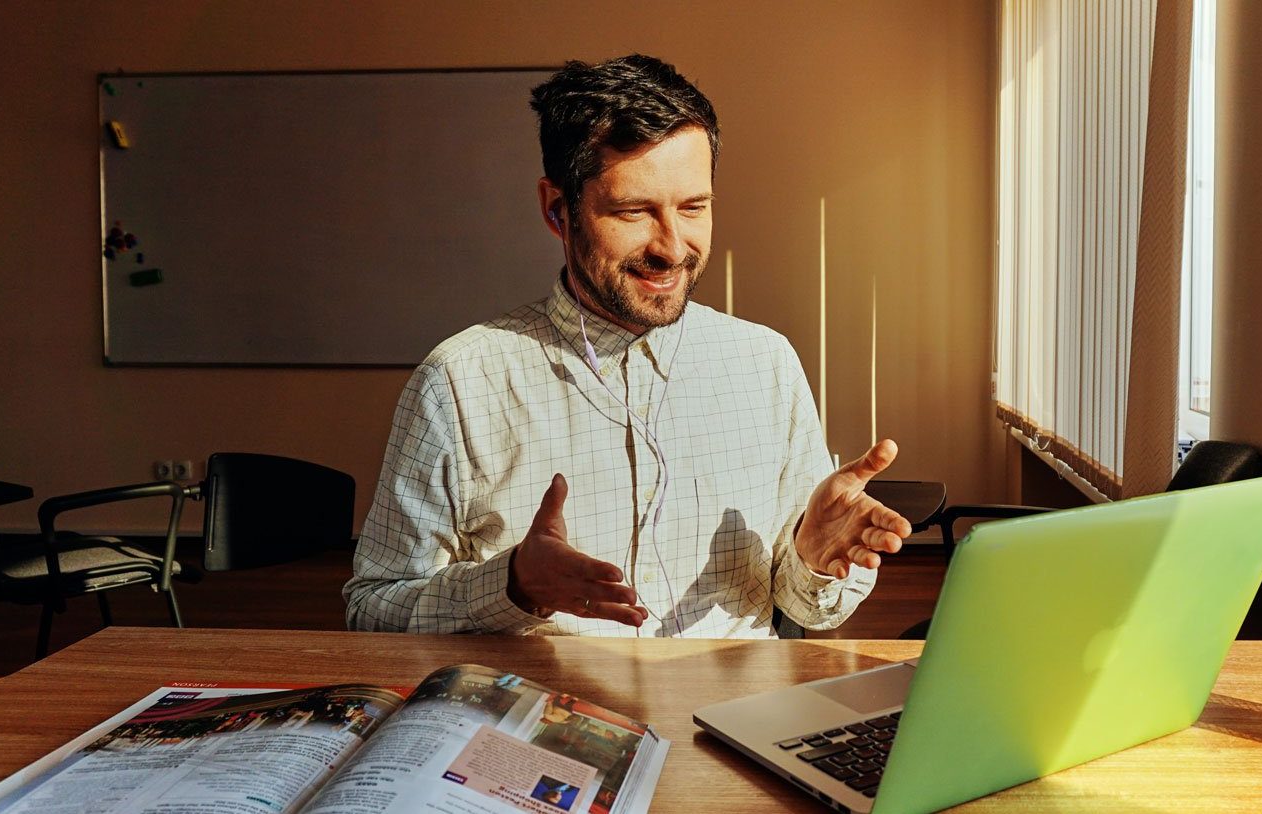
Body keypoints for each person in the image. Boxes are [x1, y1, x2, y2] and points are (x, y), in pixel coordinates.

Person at [343, 54, 910, 638]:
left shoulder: (766, 365)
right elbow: (374, 608)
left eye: (694, 207)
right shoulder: (460, 382)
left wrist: (812, 562)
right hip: (542, 719)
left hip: (727, 716)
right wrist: (512, 587)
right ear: (558, 209)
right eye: (633, 211)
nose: (671, 247)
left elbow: (808, 608)